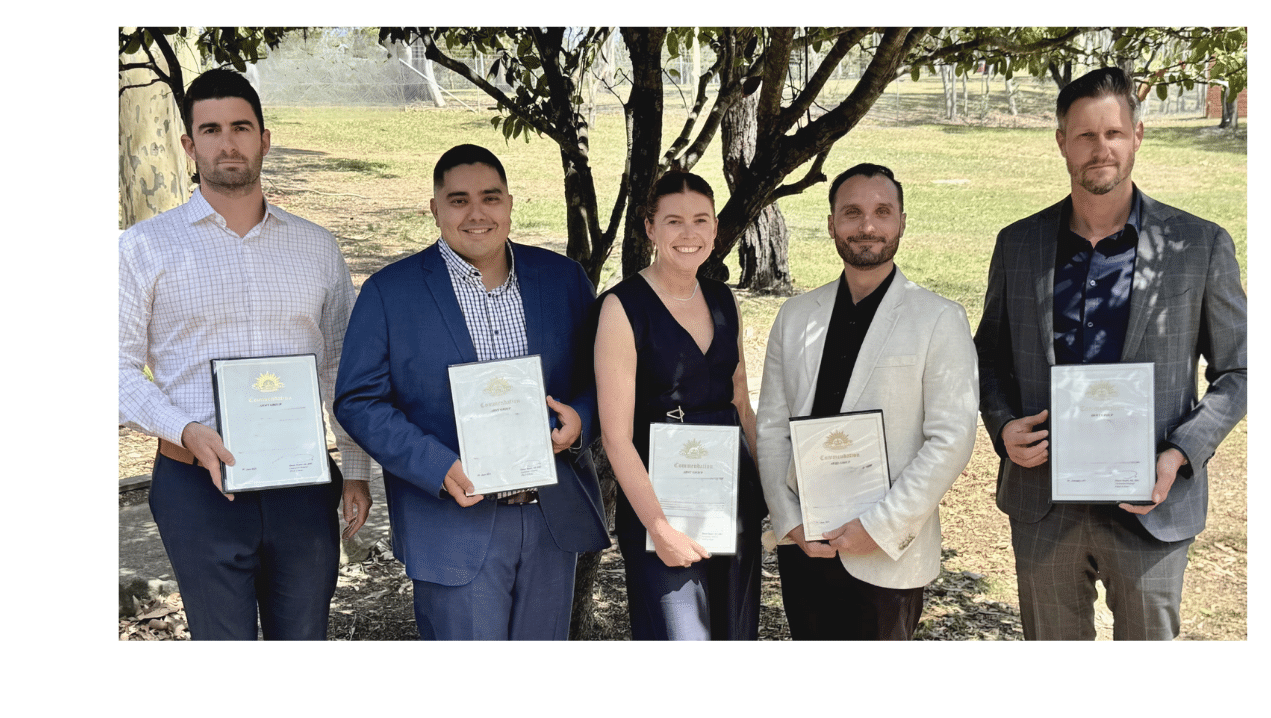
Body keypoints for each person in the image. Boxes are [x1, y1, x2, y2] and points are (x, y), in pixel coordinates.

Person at [974, 67, 1247, 640]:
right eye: (1085, 135)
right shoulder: (1018, 244)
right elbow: (988, 356)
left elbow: (1240, 370)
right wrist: (1002, 426)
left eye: (1114, 133)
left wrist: (1180, 453)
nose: (1101, 149)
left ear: (1137, 136)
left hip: (1150, 502)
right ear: (1061, 142)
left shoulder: (1198, 245)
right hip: (1045, 502)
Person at [118, 68, 373, 640]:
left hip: (303, 484)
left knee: (303, 639)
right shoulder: (144, 248)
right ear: (189, 146)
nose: (227, 143)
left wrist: (356, 471)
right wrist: (184, 429)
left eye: (241, 127)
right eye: (210, 130)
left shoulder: (316, 247)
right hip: (196, 486)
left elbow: (342, 367)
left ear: (264, 139)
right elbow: (113, 369)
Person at [333, 144, 609, 640]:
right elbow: (358, 401)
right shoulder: (389, 293)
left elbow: (603, 375)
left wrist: (582, 419)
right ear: (434, 208)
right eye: (458, 200)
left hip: (550, 517)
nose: (477, 213)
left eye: (490, 197)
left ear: (510, 204)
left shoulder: (562, 279)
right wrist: (436, 465)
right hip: (451, 521)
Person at [755, 163, 978, 640]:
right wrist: (788, 520)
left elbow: (951, 440)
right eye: (852, 212)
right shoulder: (795, 316)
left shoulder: (939, 319)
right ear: (832, 223)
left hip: (886, 553)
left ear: (902, 222)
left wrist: (879, 527)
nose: (867, 226)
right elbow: (771, 426)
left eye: (882, 212)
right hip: (806, 543)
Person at [594, 171, 767, 640]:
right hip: (661, 502)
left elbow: (741, 403)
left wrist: (772, 494)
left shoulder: (724, 300)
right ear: (650, 228)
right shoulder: (622, 308)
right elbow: (615, 437)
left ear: (715, 228)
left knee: (734, 634)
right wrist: (659, 527)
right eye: (674, 221)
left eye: (700, 220)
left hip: (730, 499)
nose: (689, 234)